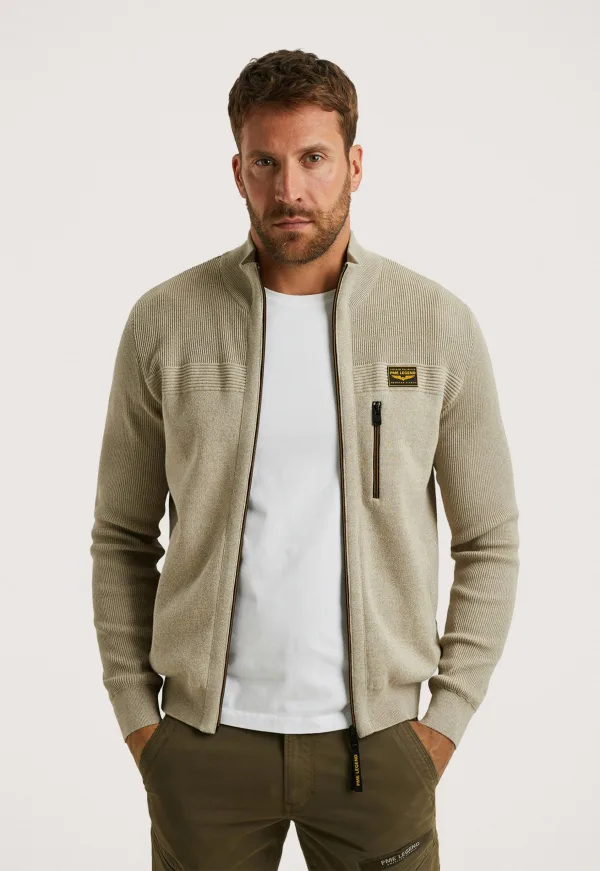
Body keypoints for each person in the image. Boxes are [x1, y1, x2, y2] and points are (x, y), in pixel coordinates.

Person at [90, 48, 519, 871]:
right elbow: (120, 534)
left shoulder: (434, 325)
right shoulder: (166, 323)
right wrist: (141, 720)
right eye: (266, 162)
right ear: (238, 171)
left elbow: (490, 539)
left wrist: (442, 725)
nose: (290, 188)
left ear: (354, 165)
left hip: (380, 748)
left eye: (314, 159)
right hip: (204, 748)